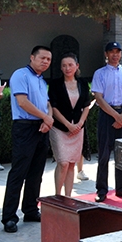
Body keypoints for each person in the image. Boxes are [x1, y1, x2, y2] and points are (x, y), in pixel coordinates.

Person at [1, 45, 53, 233]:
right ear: (32, 57)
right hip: (25, 127)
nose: (45, 62)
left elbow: (47, 104)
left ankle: (30, 209)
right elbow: (22, 102)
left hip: (42, 127)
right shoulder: (20, 75)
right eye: (42, 58)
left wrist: (48, 118)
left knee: (36, 173)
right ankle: (9, 217)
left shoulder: (41, 80)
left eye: (48, 59)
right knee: (19, 172)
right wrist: (45, 117)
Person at [91, 42, 122, 202]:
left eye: (117, 52)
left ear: (121, 54)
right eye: (111, 51)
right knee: (103, 154)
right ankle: (101, 190)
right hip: (106, 115)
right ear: (106, 54)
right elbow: (99, 99)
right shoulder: (100, 74)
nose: (115, 55)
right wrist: (116, 117)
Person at [48, 53, 93, 196]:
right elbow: (53, 107)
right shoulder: (55, 84)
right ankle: (58, 195)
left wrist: (80, 123)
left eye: (70, 65)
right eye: (64, 65)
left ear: (77, 66)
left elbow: (87, 105)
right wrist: (67, 124)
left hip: (78, 129)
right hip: (60, 128)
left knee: (72, 163)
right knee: (62, 162)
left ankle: (68, 197)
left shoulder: (83, 83)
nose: (67, 68)